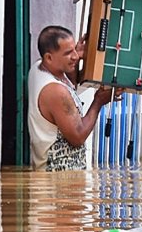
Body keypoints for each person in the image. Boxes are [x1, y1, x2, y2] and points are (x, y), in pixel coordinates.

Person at [28, 26, 120, 171]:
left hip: (58, 176)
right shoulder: (56, 91)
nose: (76, 56)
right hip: (59, 177)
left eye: (75, 49)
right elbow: (77, 137)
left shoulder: (38, 68)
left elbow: (70, 87)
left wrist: (75, 59)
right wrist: (98, 102)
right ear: (49, 57)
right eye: (68, 53)